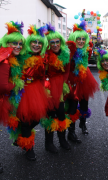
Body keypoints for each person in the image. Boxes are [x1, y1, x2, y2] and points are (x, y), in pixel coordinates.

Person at [7, 24, 50, 161]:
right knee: (25, 120)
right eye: (34, 42)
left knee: (36, 119)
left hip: (37, 91)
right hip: (22, 91)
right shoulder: (21, 55)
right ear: (29, 43)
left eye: (39, 43)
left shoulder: (43, 58)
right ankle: (28, 148)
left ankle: (21, 136)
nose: (36, 45)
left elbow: (44, 75)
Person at [40, 23, 72, 153]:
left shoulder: (65, 54)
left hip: (60, 87)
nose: (54, 44)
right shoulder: (45, 55)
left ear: (60, 42)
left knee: (61, 113)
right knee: (50, 115)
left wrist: (63, 83)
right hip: (47, 87)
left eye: (57, 42)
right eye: (51, 42)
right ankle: (49, 143)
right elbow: (42, 72)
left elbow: (67, 71)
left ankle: (62, 140)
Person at [66, 21, 99, 143]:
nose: (80, 41)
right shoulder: (68, 51)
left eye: (82, 39)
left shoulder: (87, 50)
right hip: (72, 80)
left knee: (84, 104)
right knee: (72, 106)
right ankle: (71, 132)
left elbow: (89, 48)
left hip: (84, 79)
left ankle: (83, 124)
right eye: (78, 39)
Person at [0, 21, 26, 173]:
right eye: (14, 43)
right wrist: (16, 85)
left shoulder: (8, 57)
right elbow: (3, 86)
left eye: (20, 43)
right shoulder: (5, 61)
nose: (18, 46)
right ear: (6, 43)